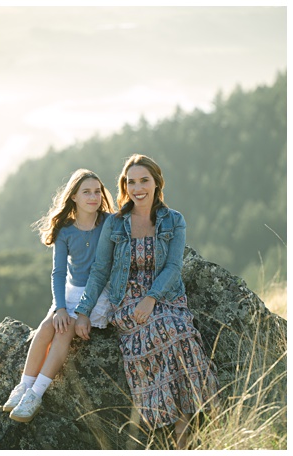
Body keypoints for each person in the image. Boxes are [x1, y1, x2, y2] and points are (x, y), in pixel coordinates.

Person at [74, 154, 218, 449]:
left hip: (165, 296)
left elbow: (174, 267)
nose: (138, 188)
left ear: (156, 183)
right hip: (126, 299)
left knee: (178, 329)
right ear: (124, 186)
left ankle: (186, 421)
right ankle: (176, 422)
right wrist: (83, 312)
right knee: (155, 330)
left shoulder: (174, 220)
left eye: (144, 181)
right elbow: (101, 270)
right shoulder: (115, 224)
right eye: (131, 182)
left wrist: (151, 298)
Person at [3, 169, 116, 422]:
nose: (93, 197)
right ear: (74, 196)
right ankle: (24, 386)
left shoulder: (109, 223)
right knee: (48, 326)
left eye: (97, 191)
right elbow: (58, 273)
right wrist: (61, 308)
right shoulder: (65, 230)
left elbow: (101, 270)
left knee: (65, 330)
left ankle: (36, 395)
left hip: (98, 293)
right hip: (70, 291)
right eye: (86, 192)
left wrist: (79, 313)